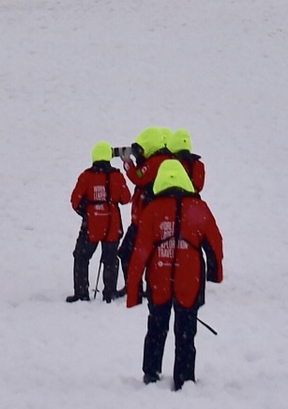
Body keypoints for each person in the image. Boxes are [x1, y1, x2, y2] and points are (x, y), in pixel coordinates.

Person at [125, 160, 224, 391]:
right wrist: (214, 274)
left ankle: (151, 373)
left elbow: (139, 254)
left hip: (158, 278)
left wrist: (133, 292)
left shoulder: (152, 210)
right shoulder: (200, 208)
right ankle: (184, 378)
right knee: (186, 331)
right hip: (190, 279)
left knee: (156, 329)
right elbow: (215, 244)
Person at [68, 141, 132, 302]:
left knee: (81, 256)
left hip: (92, 224)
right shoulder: (117, 176)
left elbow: (75, 200)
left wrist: (86, 211)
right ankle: (109, 293)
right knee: (110, 259)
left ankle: (82, 293)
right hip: (113, 223)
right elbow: (126, 198)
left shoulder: (86, 176)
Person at [117, 127, 172, 273]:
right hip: (154, 219)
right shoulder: (164, 160)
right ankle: (145, 288)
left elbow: (138, 177)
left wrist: (128, 163)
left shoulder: (155, 162)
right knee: (150, 256)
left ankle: (135, 289)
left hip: (144, 220)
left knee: (126, 254)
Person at [169, 127, 204, 193]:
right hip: (191, 199)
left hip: (169, 199)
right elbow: (198, 186)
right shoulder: (198, 164)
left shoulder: (168, 162)